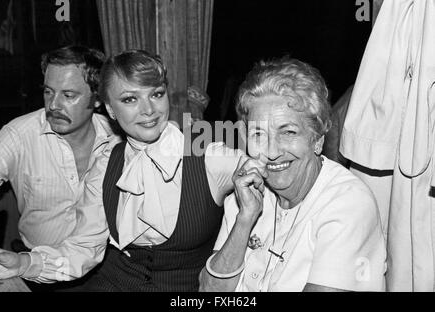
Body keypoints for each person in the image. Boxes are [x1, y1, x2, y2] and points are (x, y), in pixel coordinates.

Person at [199, 57, 387, 292]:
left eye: (288, 132)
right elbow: (209, 291)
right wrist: (245, 219)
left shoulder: (348, 203)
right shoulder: (245, 193)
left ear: (317, 138)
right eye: (259, 134)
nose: (272, 151)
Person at [65, 49, 242, 292]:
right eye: (130, 99)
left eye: (156, 94)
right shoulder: (106, 163)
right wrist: (24, 262)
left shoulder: (207, 154)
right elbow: (83, 248)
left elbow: (273, 170)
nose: (149, 110)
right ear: (110, 110)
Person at [0, 45, 117, 287]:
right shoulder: (18, 135)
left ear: (98, 98)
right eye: (49, 92)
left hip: (110, 269)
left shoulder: (118, 139)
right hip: (37, 271)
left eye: (69, 95)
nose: (54, 105)